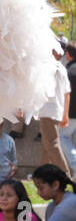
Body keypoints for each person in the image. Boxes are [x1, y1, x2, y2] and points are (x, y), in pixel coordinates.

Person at [37, 48, 71, 176]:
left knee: (51, 145)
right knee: (47, 146)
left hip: (48, 111)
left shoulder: (45, 67)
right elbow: (67, 93)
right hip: (55, 111)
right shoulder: (61, 67)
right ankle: (42, 176)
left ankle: (65, 175)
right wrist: (65, 114)